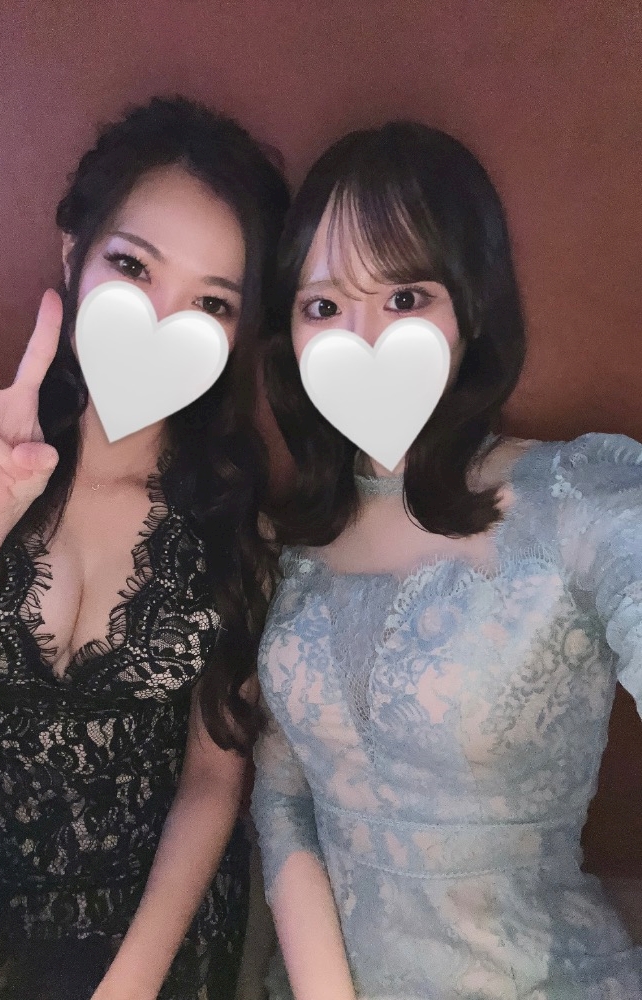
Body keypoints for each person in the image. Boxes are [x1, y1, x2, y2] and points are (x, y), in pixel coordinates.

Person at [0, 95, 289, 1000]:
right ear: (74, 253)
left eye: (212, 302)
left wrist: (133, 980)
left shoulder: (237, 524)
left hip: (156, 919)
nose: (162, 317)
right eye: (132, 265)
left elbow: (212, 780)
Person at [252, 120, 642, 998]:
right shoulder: (295, 544)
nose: (364, 337)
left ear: (472, 307)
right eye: (324, 307)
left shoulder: (575, 503)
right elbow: (285, 800)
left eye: (405, 296)